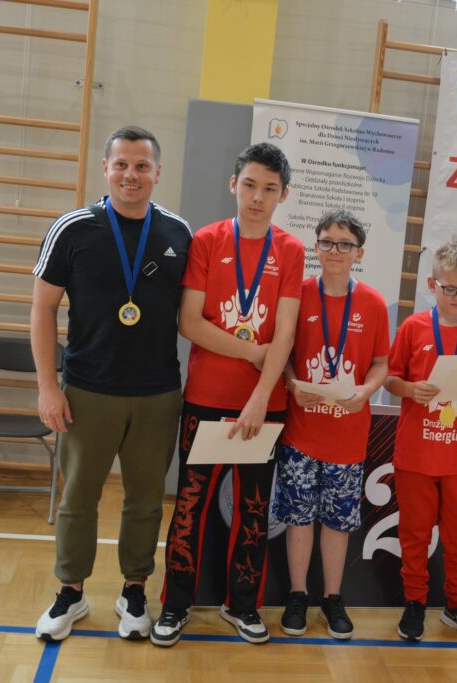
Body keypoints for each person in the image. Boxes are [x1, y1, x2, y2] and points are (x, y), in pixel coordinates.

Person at [31, 126, 192, 641]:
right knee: (78, 497)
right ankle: (71, 592)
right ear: (105, 168)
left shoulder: (178, 233)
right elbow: (42, 309)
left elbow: (194, 314)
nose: (131, 175)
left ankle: (134, 591)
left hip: (157, 393)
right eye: (121, 164)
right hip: (88, 391)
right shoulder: (73, 228)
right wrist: (48, 387)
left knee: (145, 501)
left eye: (142, 166)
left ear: (157, 173)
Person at [153, 142, 304, 646]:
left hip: (265, 405)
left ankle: (242, 604)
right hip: (206, 398)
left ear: (283, 195)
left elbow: (286, 333)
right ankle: (175, 605)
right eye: (250, 185)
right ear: (233, 184)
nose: (257, 198)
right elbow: (190, 322)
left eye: (269, 189)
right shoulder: (206, 240)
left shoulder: (290, 250)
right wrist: (253, 353)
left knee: (254, 510)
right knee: (191, 506)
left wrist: (262, 395)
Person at [275, 210, 390, 640]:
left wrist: (366, 391)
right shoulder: (299, 294)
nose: (335, 250)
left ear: (359, 252)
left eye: (345, 244)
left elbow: (381, 363)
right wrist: (291, 383)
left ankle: (333, 597)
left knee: (338, 523)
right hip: (301, 434)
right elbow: (284, 355)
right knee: (299, 518)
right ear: (316, 247)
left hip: (347, 437)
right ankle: (298, 595)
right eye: (327, 242)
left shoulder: (373, 304)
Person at [384, 238, 457, 644]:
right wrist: (409, 389)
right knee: (414, 534)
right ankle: (414, 602)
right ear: (432, 284)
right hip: (416, 454)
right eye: (450, 288)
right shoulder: (413, 328)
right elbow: (390, 379)